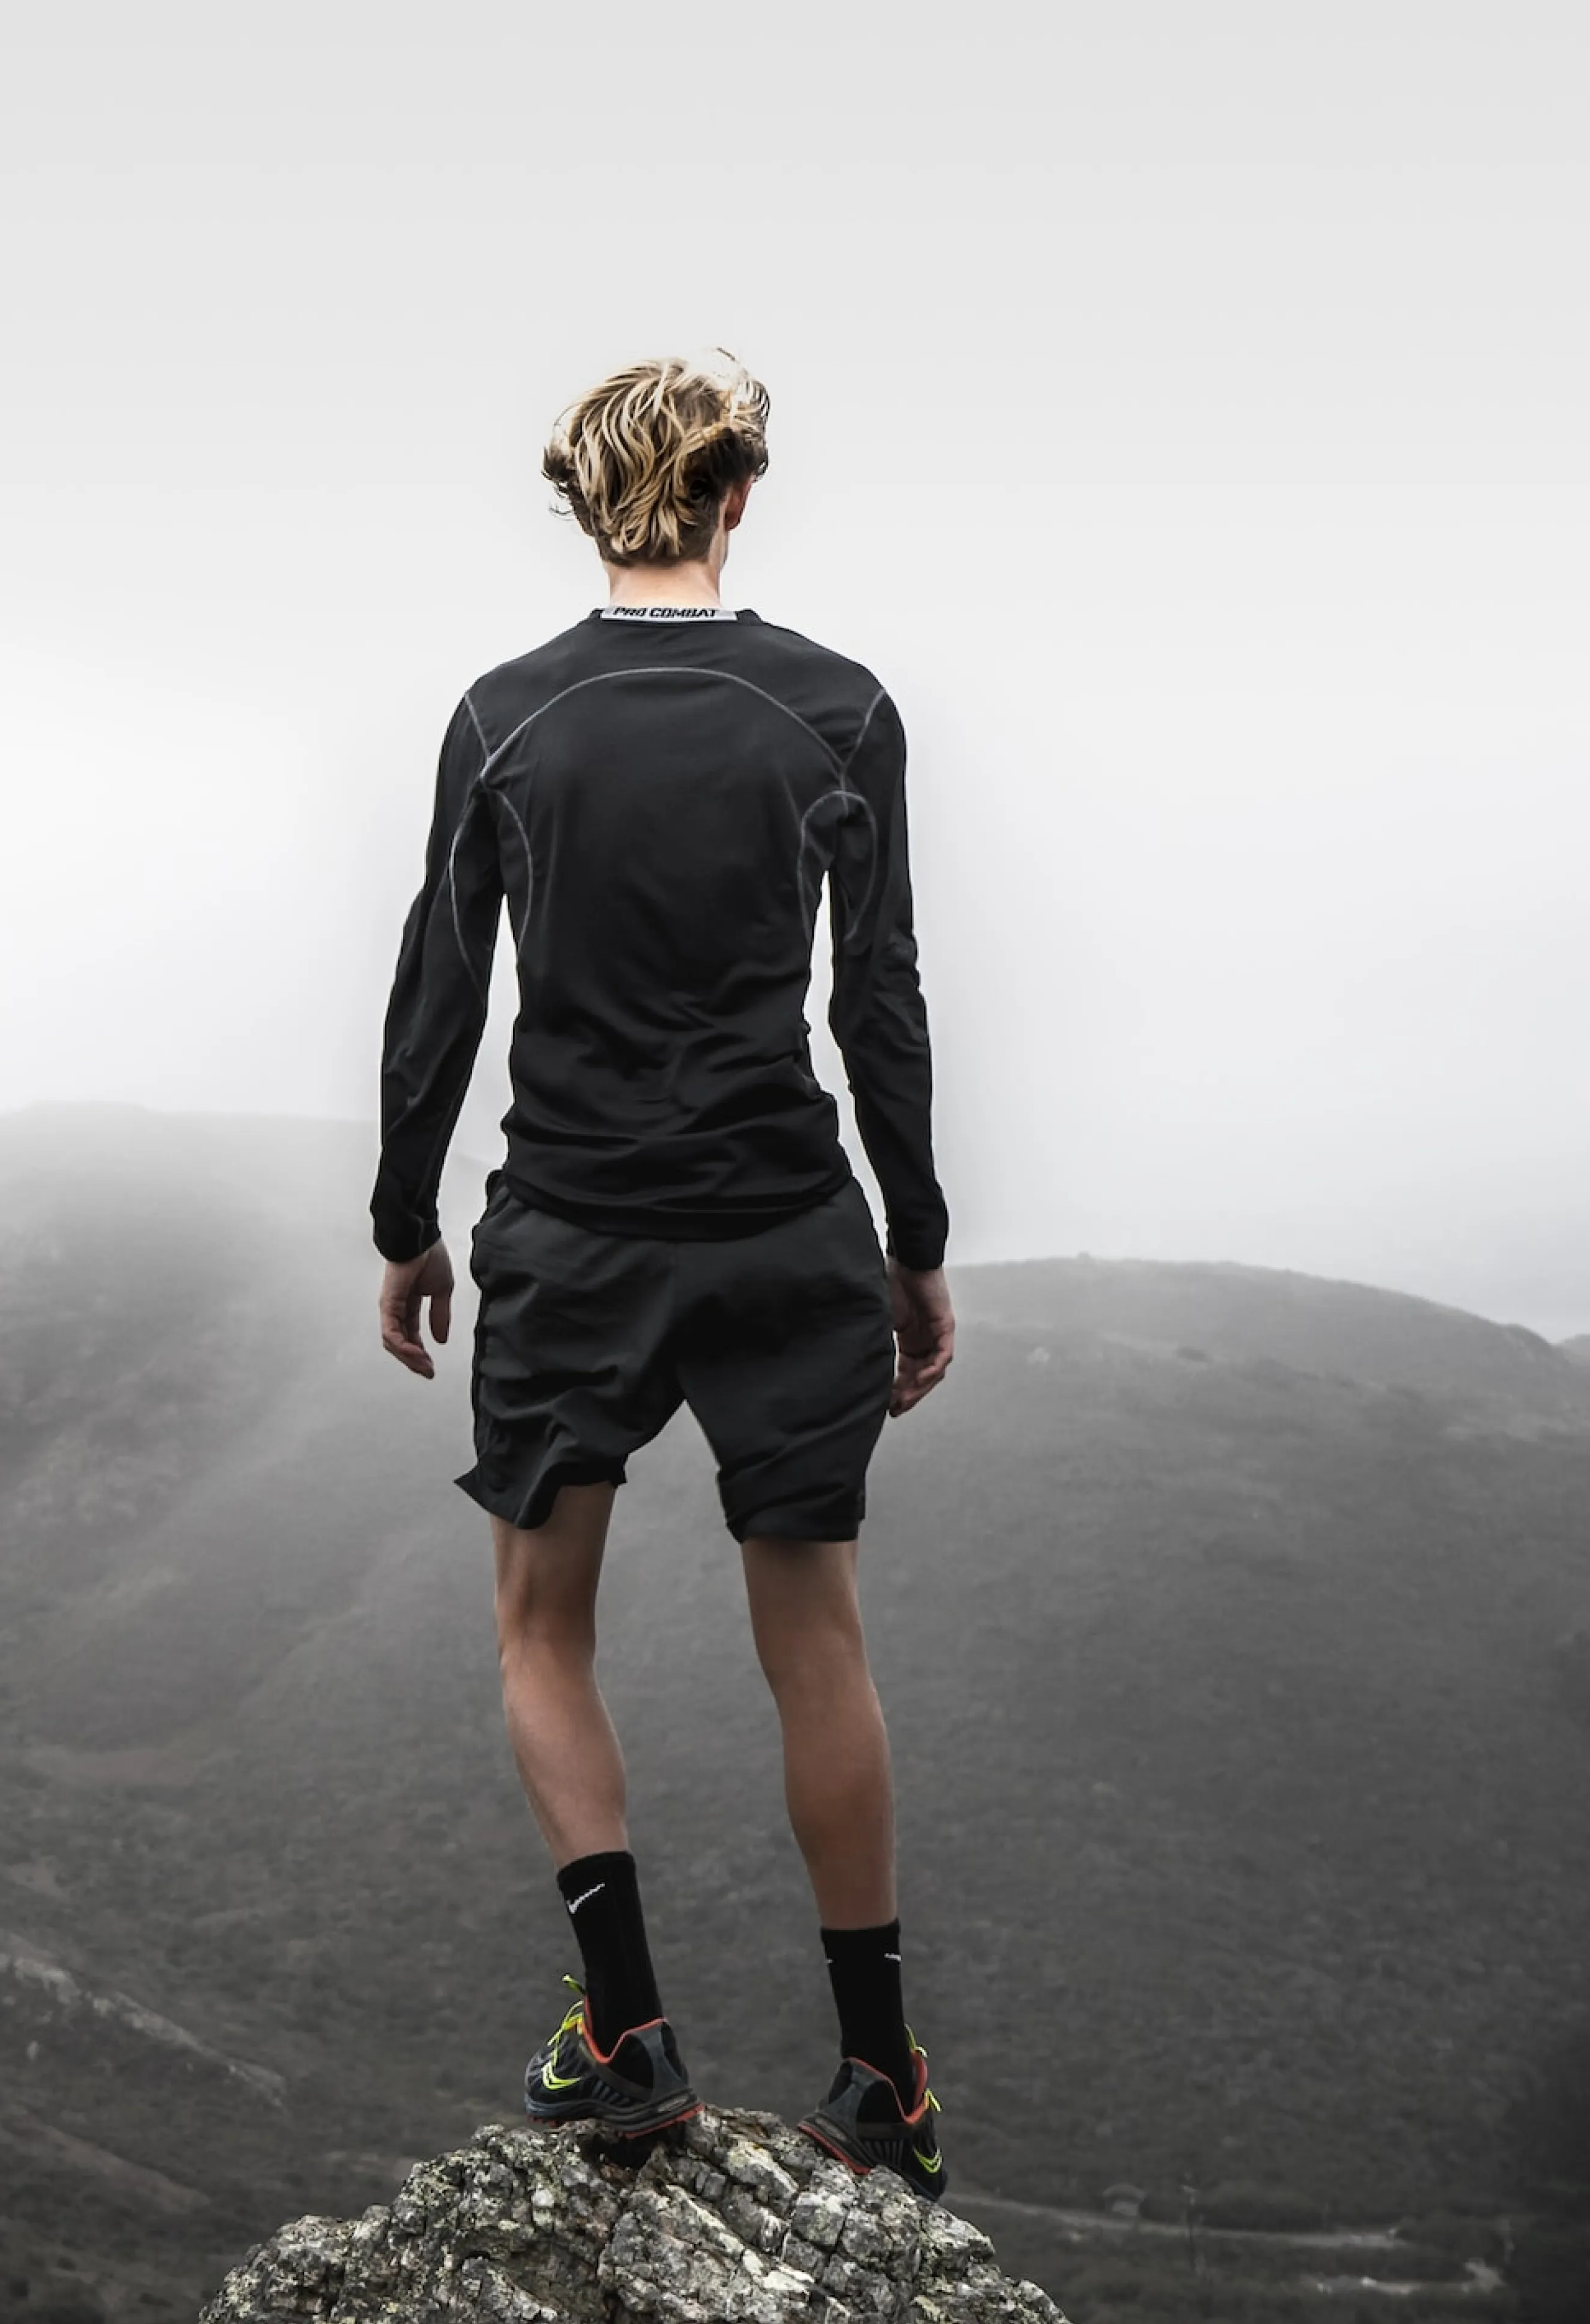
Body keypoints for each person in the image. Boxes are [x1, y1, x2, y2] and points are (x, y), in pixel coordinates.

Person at [370, 353, 957, 2202]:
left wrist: (405, 1220)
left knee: (544, 1623)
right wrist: (914, 1244)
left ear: (582, 505)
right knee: (820, 1640)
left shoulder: (506, 721)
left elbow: (442, 990)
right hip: (788, 1220)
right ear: (735, 500)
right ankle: (881, 2079)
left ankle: (627, 2033)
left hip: (577, 1230)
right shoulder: (839, 711)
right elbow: (879, 1003)